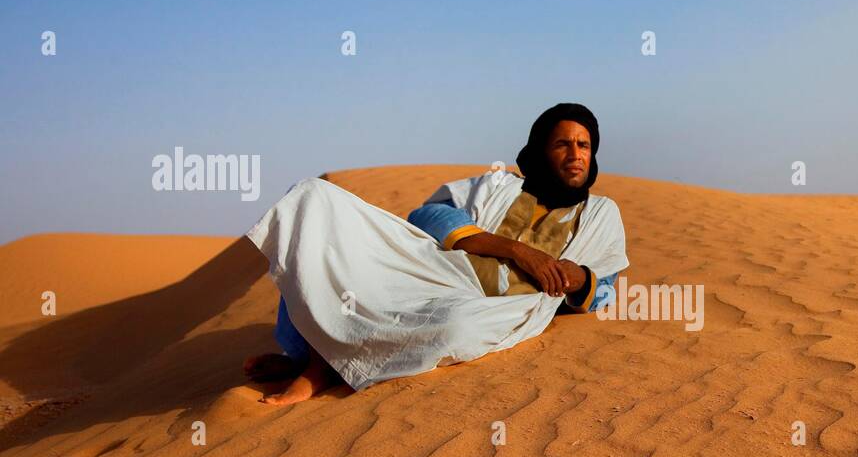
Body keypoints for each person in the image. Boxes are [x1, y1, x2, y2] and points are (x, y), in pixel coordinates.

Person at [242, 103, 628, 405]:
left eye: (584, 145)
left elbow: (605, 286)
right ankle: (307, 355)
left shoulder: (600, 212)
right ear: (541, 151)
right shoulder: (499, 185)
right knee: (316, 199)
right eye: (563, 144)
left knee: (455, 325)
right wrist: (519, 251)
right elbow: (429, 215)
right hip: (436, 268)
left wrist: (571, 276)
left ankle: (321, 366)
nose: (576, 154)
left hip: (489, 304)